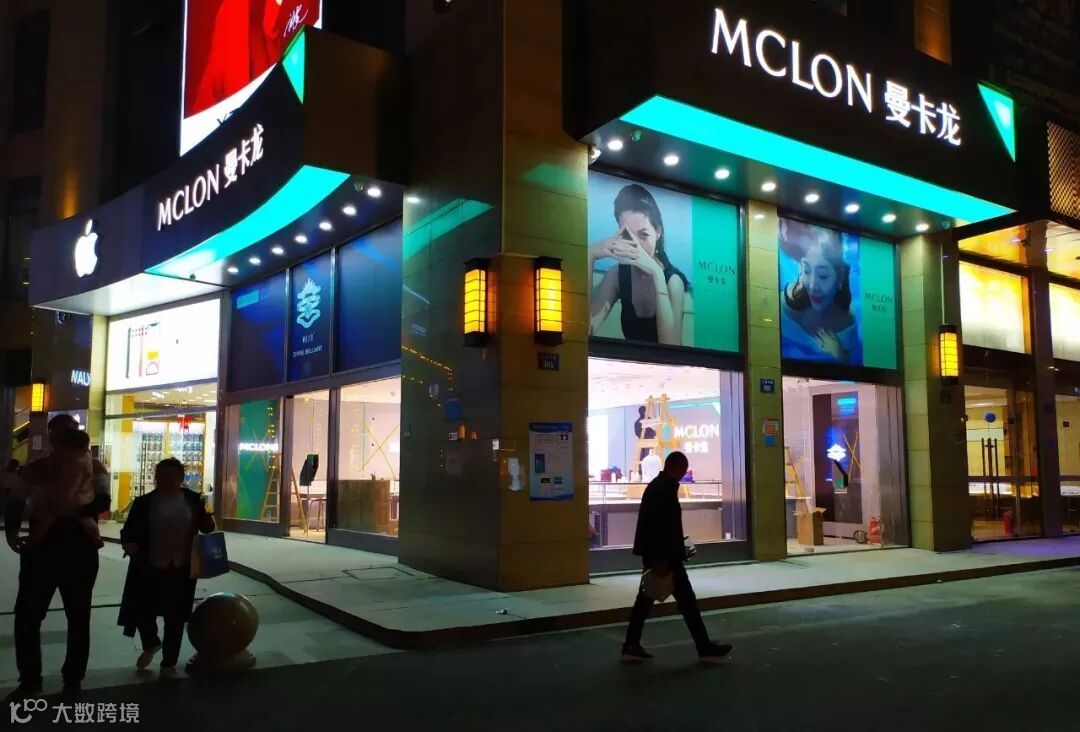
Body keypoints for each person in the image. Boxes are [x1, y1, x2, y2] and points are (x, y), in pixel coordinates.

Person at [5, 414, 111, 699]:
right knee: (29, 614)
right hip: (47, 547)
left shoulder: (94, 466)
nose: (63, 437)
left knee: (76, 614)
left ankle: (72, 676)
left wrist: (65, 511)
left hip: (76, 546)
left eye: (70, 432)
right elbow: (16, 498)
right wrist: (12, 533)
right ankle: (31, 677)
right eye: (59, 432)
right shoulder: (38, 467)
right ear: (51, 437)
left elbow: (102, 501)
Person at [622, 451, 732, 663]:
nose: (684, 474)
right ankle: (704, 647)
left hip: (662, 555)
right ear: (678, 468)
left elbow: (659, 526)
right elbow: (661, 527)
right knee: (686, 602)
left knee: (647, 600)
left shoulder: (658, 487)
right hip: (665, 558)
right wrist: (662, 557)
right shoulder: (664, 490)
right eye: (683, 469)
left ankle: (631, 644)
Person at [118, 458, 215, 681]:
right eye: (161, 476)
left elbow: (206, 528)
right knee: (143, 611)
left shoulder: (192, 500)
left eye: (171, 476)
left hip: (182, 568)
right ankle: (151, 643)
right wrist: (129, 543)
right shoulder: (144, 502)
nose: (165, 480)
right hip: (149, 565)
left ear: (180, 478)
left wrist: (208, 521)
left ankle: (169, 663)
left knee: (175, 618)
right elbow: (128, 530)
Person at [589, 183, 690, 345]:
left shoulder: (673, 282)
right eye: (628, 235)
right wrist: (591, 254)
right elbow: (585, 330)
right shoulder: (618, 275)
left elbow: (671, 348)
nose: (636, 245)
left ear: (658, 232)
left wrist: (657, 275)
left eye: (643, 235)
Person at [779, 219, 860, 364]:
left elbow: (854, 360)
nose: (812, 286)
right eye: (806, 271)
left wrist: (840, 353)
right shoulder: (782, 307)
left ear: (840, 276)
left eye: (823, 276)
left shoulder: (848, 322)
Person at [26, 429, 103, 549]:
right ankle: (96, 536)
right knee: (87, 521)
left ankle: (34, 540)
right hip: (83, 499)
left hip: (71, 504)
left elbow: (65, 493)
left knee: (50, 517)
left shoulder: (73, 465)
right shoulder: (86, 459)